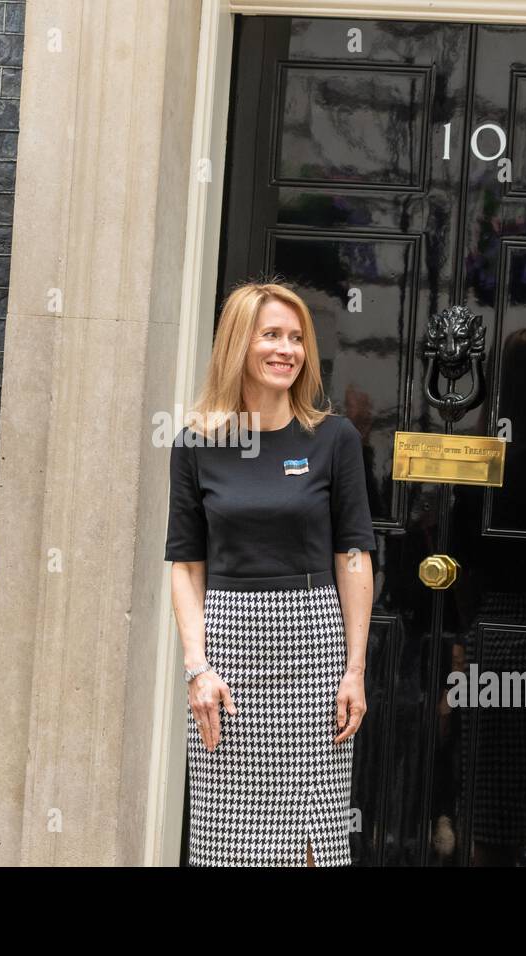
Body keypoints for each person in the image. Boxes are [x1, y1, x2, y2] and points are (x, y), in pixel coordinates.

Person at [164, 281, 376, 867]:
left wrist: (355, 668)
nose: (288, 349)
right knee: (228, 845)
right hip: (227, 655)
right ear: (238, 344)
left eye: (297, 338)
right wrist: (196, 666)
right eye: (272, 335)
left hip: (312, 649)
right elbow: (185, 564)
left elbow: (354, 556)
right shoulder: (196, 443)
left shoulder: (333, 439)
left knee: (312, 844)